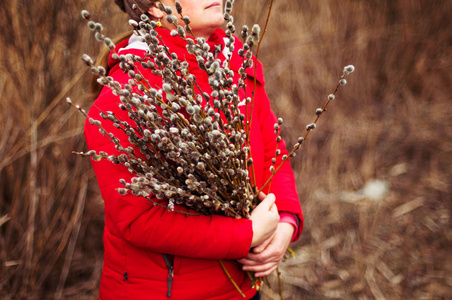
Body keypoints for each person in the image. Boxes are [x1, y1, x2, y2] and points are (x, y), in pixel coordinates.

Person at [84, 0, 303, 299]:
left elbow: (270, 149)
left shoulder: (236, 60)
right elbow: (138, 220)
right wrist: (247, 234)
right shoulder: (127, 96)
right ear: (155, 8)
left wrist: (285, 222)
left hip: (242, 287)